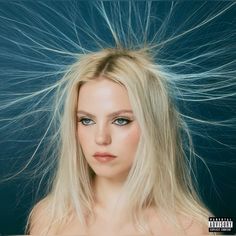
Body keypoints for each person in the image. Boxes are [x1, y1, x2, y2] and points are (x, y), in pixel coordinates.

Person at [26, 48, 212, 235]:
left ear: (153, 126)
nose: (101, 138)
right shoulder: (47, 217)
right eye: (86, 120)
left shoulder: (201, 226)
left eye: (121, 120)